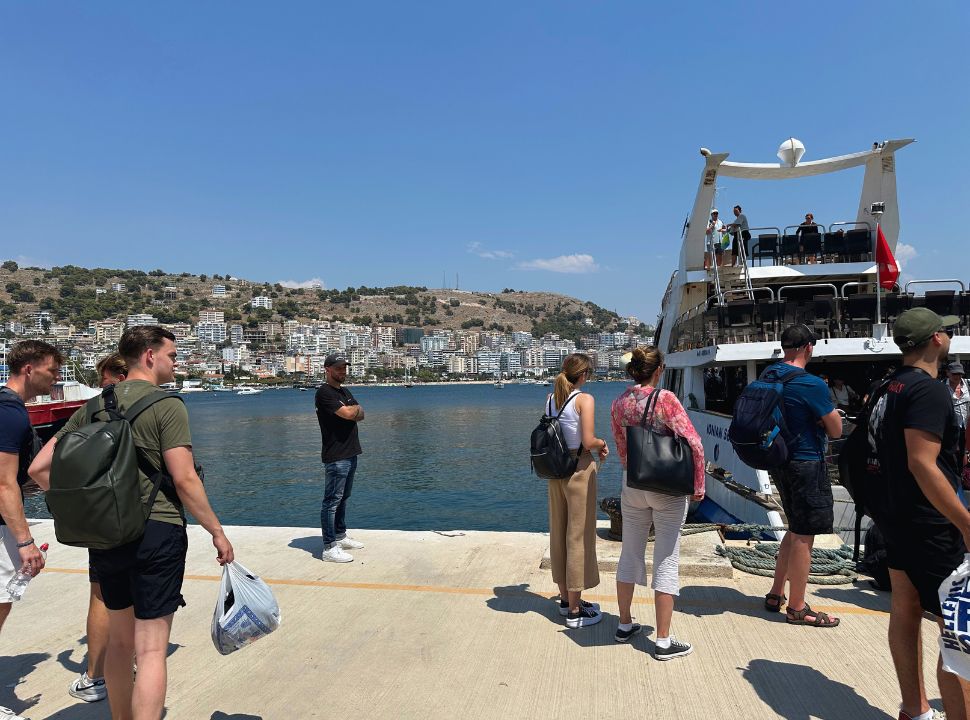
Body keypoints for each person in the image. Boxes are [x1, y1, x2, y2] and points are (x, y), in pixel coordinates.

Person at [29, 326, 234, 720]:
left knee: (120, 646)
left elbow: (40, 469)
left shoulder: (94, 405)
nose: (177, 363)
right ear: (150, 356)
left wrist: (82, 505)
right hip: (157, 530)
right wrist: (217, 531)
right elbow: (185, 478)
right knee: (153, 649)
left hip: (106, 534)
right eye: (172, 355)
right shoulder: (166, 404)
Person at [868, 308, 970, 720]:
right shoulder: (929, 391)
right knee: (958, 630)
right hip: (930, 525)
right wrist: (965, 522)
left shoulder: (885, 388)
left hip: (895, 518)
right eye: (945, 330)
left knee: (906, 607)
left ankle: (915, 708)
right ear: (936, 340)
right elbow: (922, 462)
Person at [611, 347, 705, 659]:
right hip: (667, 486)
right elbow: (694, 443)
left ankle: (624, 624)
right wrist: (698, 485)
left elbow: (622, 447)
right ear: (659, 369)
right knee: (666, 557)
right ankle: (663, 641)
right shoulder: (665, 399)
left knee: (629, 551)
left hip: (633, 482)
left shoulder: (619, 402)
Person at [53, 353, 127, 703]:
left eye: (102, 377)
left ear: (113, 375)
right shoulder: (159, 402)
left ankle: (96, 677)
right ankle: (132, 663)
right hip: (152, 515)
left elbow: (48, 461)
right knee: (143, 592)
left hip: (106, 517)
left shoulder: (92, 408)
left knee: (101, 595)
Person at [763, 324, 843, 627]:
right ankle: (797, 607)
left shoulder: (769, 374)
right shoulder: (812, 384)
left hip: (779, 460)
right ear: (809, 347)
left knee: (794, 528)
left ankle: (775, 593)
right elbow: (835, 429)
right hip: (806, 461)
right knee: (804, 536)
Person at [0, 341, 61, 643]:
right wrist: (26, 543)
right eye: (51, 370)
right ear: (28, 369)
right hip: (1, 527)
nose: (56, 377)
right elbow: (3, 483)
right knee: (1, 601)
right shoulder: (10, 412)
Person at [544, 353, 609, 628]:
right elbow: (587, 439)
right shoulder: (584, 399)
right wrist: (602, 443)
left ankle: (564, 600)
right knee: (578, 536)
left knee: (558, 532)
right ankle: (574, 611)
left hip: (554, 470)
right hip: (578, 469)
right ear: (584, 375)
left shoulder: (550, 398)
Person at [315, 353, 366, 563]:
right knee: (331, 501)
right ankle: (329, 547)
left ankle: (340, 535)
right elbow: (348, 414)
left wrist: (353, 410)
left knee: (343, 497)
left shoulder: (344, 391)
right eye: (338, 368)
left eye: (345, 368)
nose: (343, 371)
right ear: (327, 370)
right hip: (336, 455)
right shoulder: (324, 393)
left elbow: (361, 413)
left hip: (351, 452)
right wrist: (351, 411)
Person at [945, 362, 969, 431]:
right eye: (954, 374)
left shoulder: (968, 384)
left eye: (959, 374)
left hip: (967, 426)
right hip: (950, 428)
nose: (957, 376)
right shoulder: (941, 386)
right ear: (947, 373)